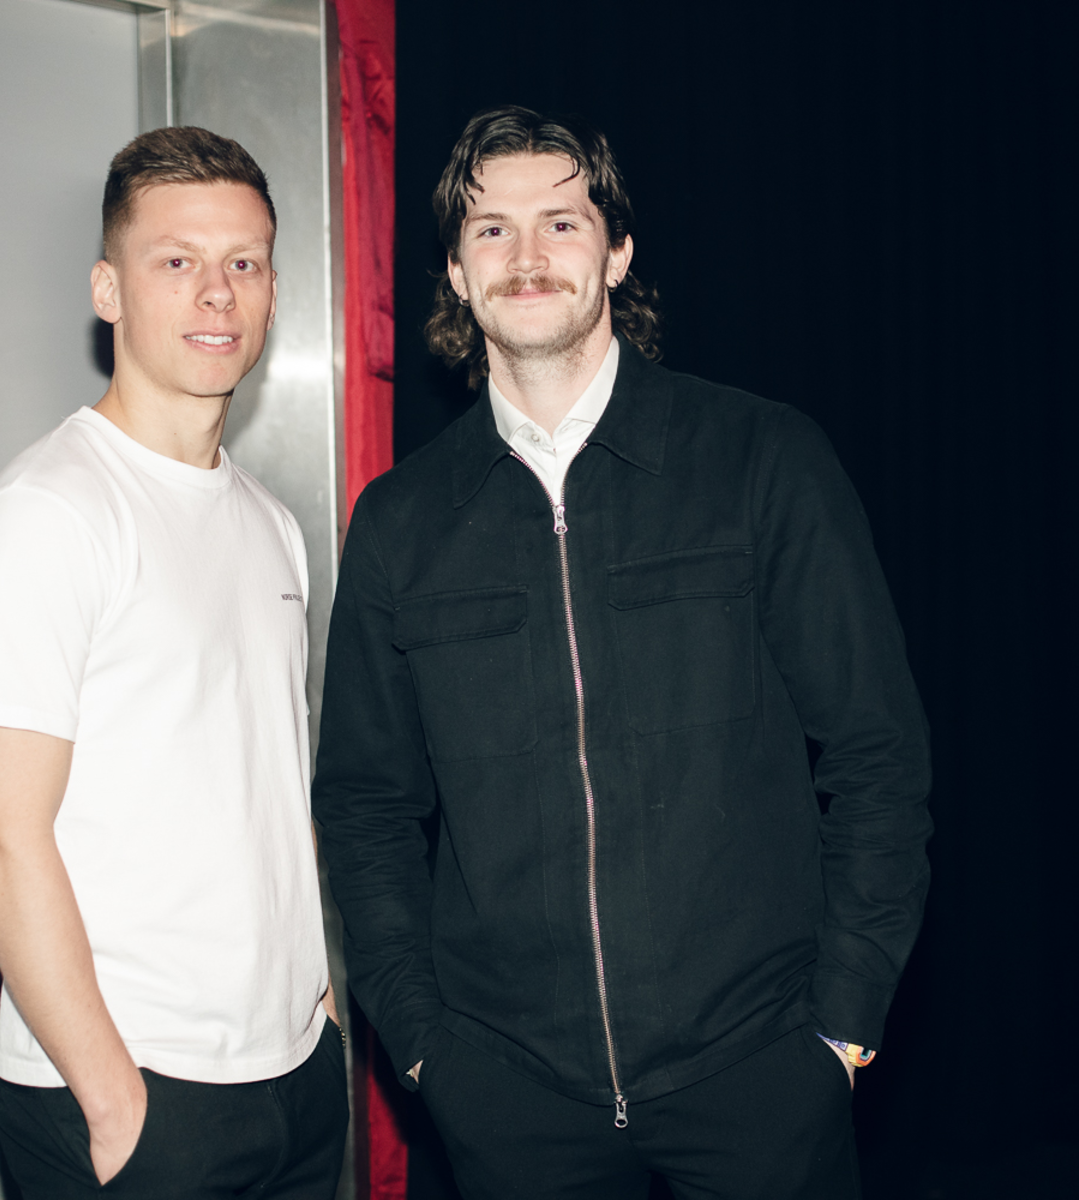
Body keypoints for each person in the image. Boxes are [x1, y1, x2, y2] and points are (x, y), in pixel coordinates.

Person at [312, 106, 932, 1199]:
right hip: (510, 1099)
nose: (527, 255)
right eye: (491, 229)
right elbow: (366, 807)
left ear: (617, 252)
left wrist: (841, 1024)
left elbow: (877, 757)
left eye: (561, 221)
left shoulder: (761, 460)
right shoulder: (401, 522)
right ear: (455, 270)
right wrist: (425, 1049)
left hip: (761, 1076)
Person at [0, 127, 347, 1200]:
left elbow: (268, 785)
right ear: (108, 290)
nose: (217, 293)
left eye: (245, 262)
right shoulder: (47, 514)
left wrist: (317, 1005)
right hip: (137, 1093)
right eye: (177, 261)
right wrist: (115, 1100)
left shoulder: (272, 524)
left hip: (294, 1076)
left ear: (273, 293)